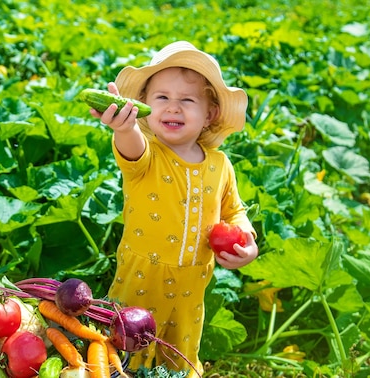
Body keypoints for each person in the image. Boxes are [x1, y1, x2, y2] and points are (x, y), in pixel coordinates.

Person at [89, 41, 259, 377]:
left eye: (187, 100)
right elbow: (131, 147)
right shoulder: (147, 154)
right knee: (126, 346)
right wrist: (125, 127)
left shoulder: (220, 164)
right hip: (141, 277)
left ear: (210, 114)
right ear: (144, 106)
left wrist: (248, 242)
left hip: (192, 285)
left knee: (181, 352)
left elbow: (234, 211)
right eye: (162, 98)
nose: (173, 108)